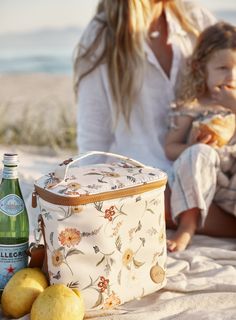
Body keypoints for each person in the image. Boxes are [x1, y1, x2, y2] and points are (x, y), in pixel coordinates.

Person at [73, 1, 236, 239]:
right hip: (148, 179)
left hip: (208, 172)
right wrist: (88, 199)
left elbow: (229, 63)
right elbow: (94, 137)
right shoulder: (102, 34)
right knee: (151, 199)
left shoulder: (190, 17)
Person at [165, 22, 236, 252]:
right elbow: (170, 147)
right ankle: (187, 225)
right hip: (210, 181)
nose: (231, 76)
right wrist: (190, 146)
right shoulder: (193, 105)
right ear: (201, 68)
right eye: (223, 68)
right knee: (198, 153)